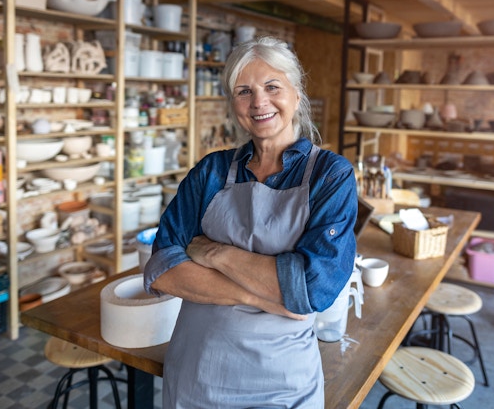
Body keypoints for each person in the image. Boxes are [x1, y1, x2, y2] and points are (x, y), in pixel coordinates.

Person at [144, 36, 357, 408]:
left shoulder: (330, 176)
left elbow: (311, 291)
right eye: (244, 91)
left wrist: (217, 255)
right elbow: (163, 268)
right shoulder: (210, 171)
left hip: (283, 386)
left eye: (272, 87)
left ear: (296, 91)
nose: (259, 102)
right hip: (197, 376)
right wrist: (259, 296)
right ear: (233, 103)